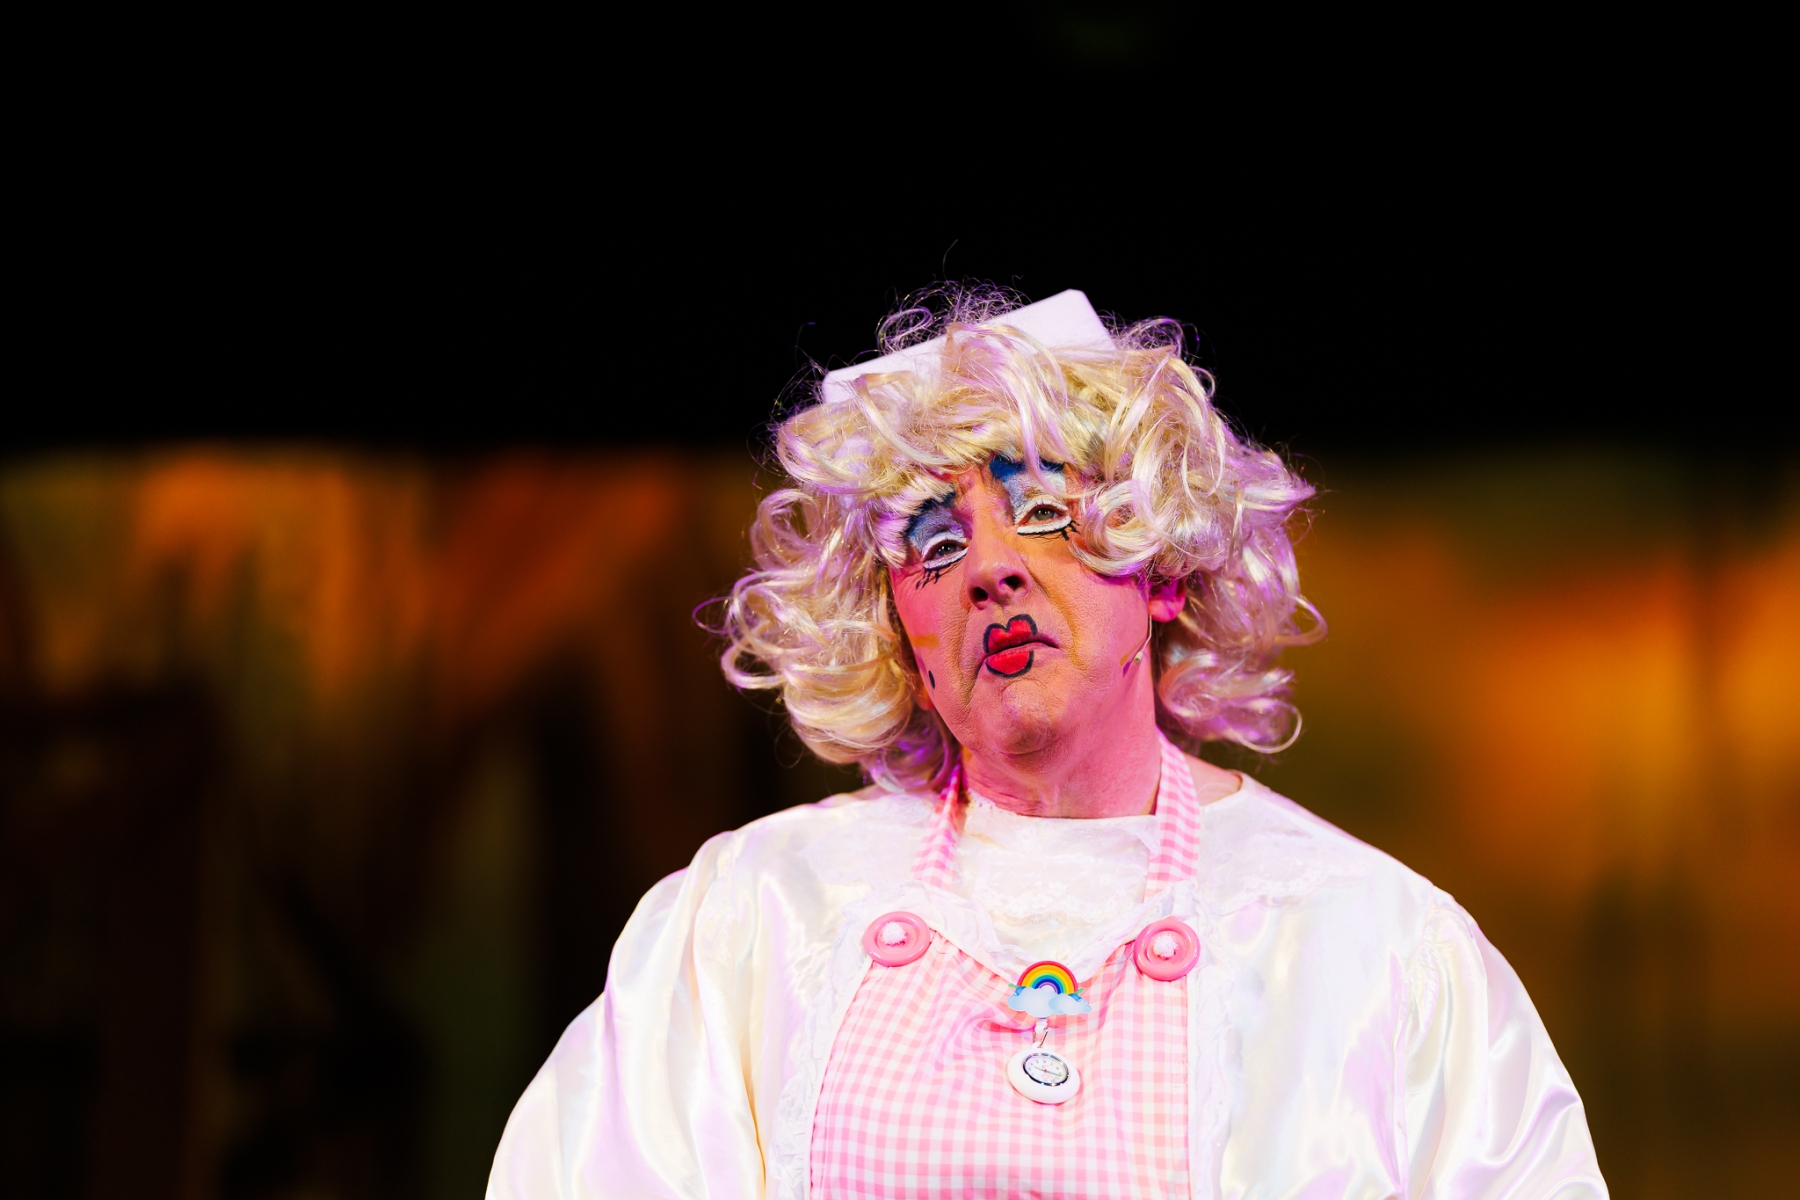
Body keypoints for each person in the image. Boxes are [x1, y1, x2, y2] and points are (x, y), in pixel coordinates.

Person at [487, 287, 1607, 1198]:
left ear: (1160, 569)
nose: (989, 569)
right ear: (900, 631)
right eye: (934, 542)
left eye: (1042, 514)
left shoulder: (1372, 945)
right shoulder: (755, 917)